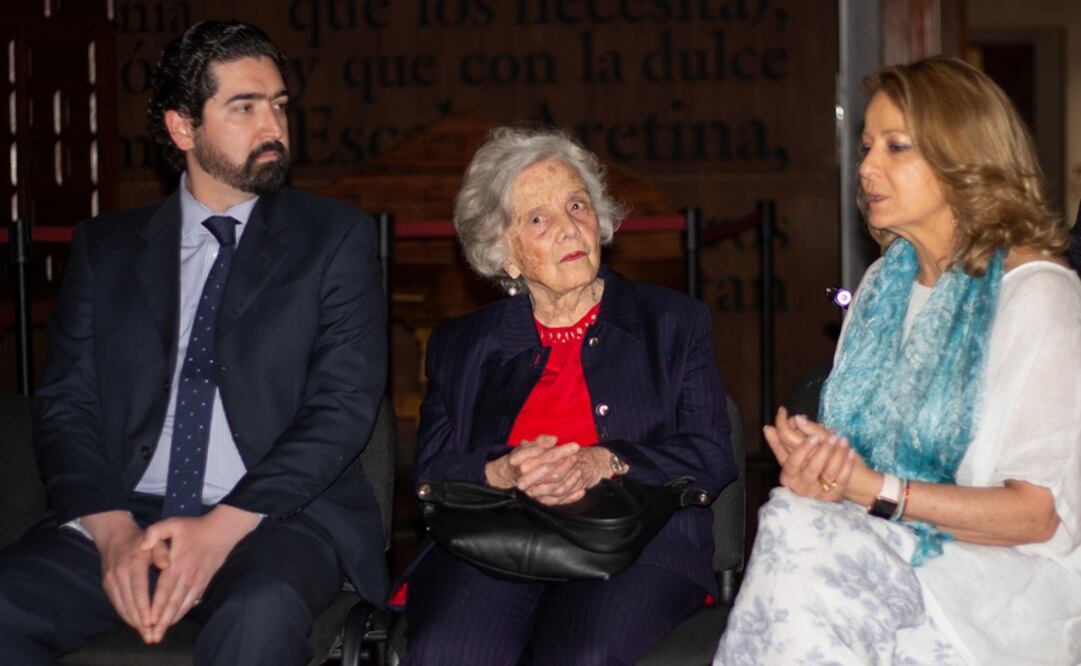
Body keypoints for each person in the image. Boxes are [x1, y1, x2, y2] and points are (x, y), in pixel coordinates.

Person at [0, 20, 388, 665]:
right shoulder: (107, 248)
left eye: (279, 106)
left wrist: (221, 528)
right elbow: (65, 404)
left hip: (272, 520)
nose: (275, 128)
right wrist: (111, 528)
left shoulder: (333, 239)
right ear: (184, 128)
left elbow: (343, 407)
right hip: (121, 514)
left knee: (255, 615)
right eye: (245, 107)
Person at [715, 56, 1081, 665]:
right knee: (795, 522)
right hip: (873, 553)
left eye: (896, 147)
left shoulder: (1039, 295)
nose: (866, 168)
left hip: (1004, 593)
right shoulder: (884, 284)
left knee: (798, 538)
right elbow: (848, 474)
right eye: (865, 147)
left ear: (964, 158)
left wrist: (868, 489)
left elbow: (1038, 515)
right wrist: (820, 472)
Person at [397, 127, 737, 664]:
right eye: (539, 219)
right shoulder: (461, 345)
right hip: (495, 539)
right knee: (449, 651)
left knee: (581, 654)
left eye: (578, 205)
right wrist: (503, 471)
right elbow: (431, 473)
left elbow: (711, 455)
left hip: (635, 544)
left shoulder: (672, 322)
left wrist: (602, 461)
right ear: (504, 252)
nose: (569, 228)